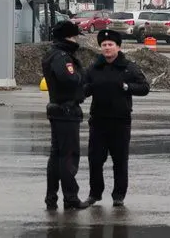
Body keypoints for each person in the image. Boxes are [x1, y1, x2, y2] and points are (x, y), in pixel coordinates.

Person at [84, 29, 150, 207]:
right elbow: (84, 87)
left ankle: (118, 196)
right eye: (104, 45)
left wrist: (128, 87)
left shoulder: (129, 67)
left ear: (118, 47)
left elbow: (144, 87)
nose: (107, 48)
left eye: (110, 45)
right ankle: (95, 194)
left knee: (120, 161)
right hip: (98, 121)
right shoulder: (94, 68)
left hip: (120, 121)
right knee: (95, 159)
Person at [41, 20, 91, 211]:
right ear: (69, 36)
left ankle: (51, 197)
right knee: (68, 156)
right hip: (66, 111)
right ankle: (70, 198)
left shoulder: (53, 54)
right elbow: (69, 78)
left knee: (57, 156)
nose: (76, 39)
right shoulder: (63, 56)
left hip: (59, 110)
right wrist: (82, 77)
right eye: (74, 35)